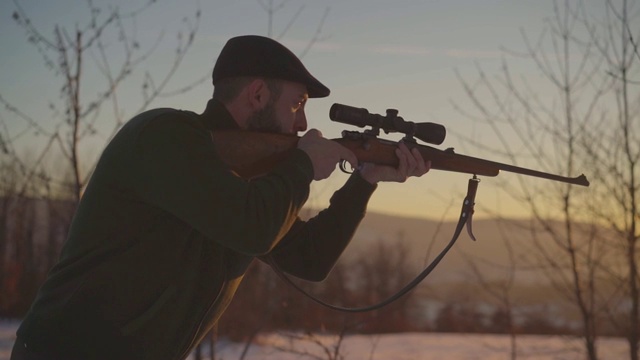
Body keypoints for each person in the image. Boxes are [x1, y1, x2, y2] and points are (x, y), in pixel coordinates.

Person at [11, 35, 430, 360]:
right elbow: (251, 228)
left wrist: (364, 181)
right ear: (258, 96)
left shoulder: (249, 177)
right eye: (298, 104)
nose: (303, 123)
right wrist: (302, 166)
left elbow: (309, 258)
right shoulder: (164, 136)